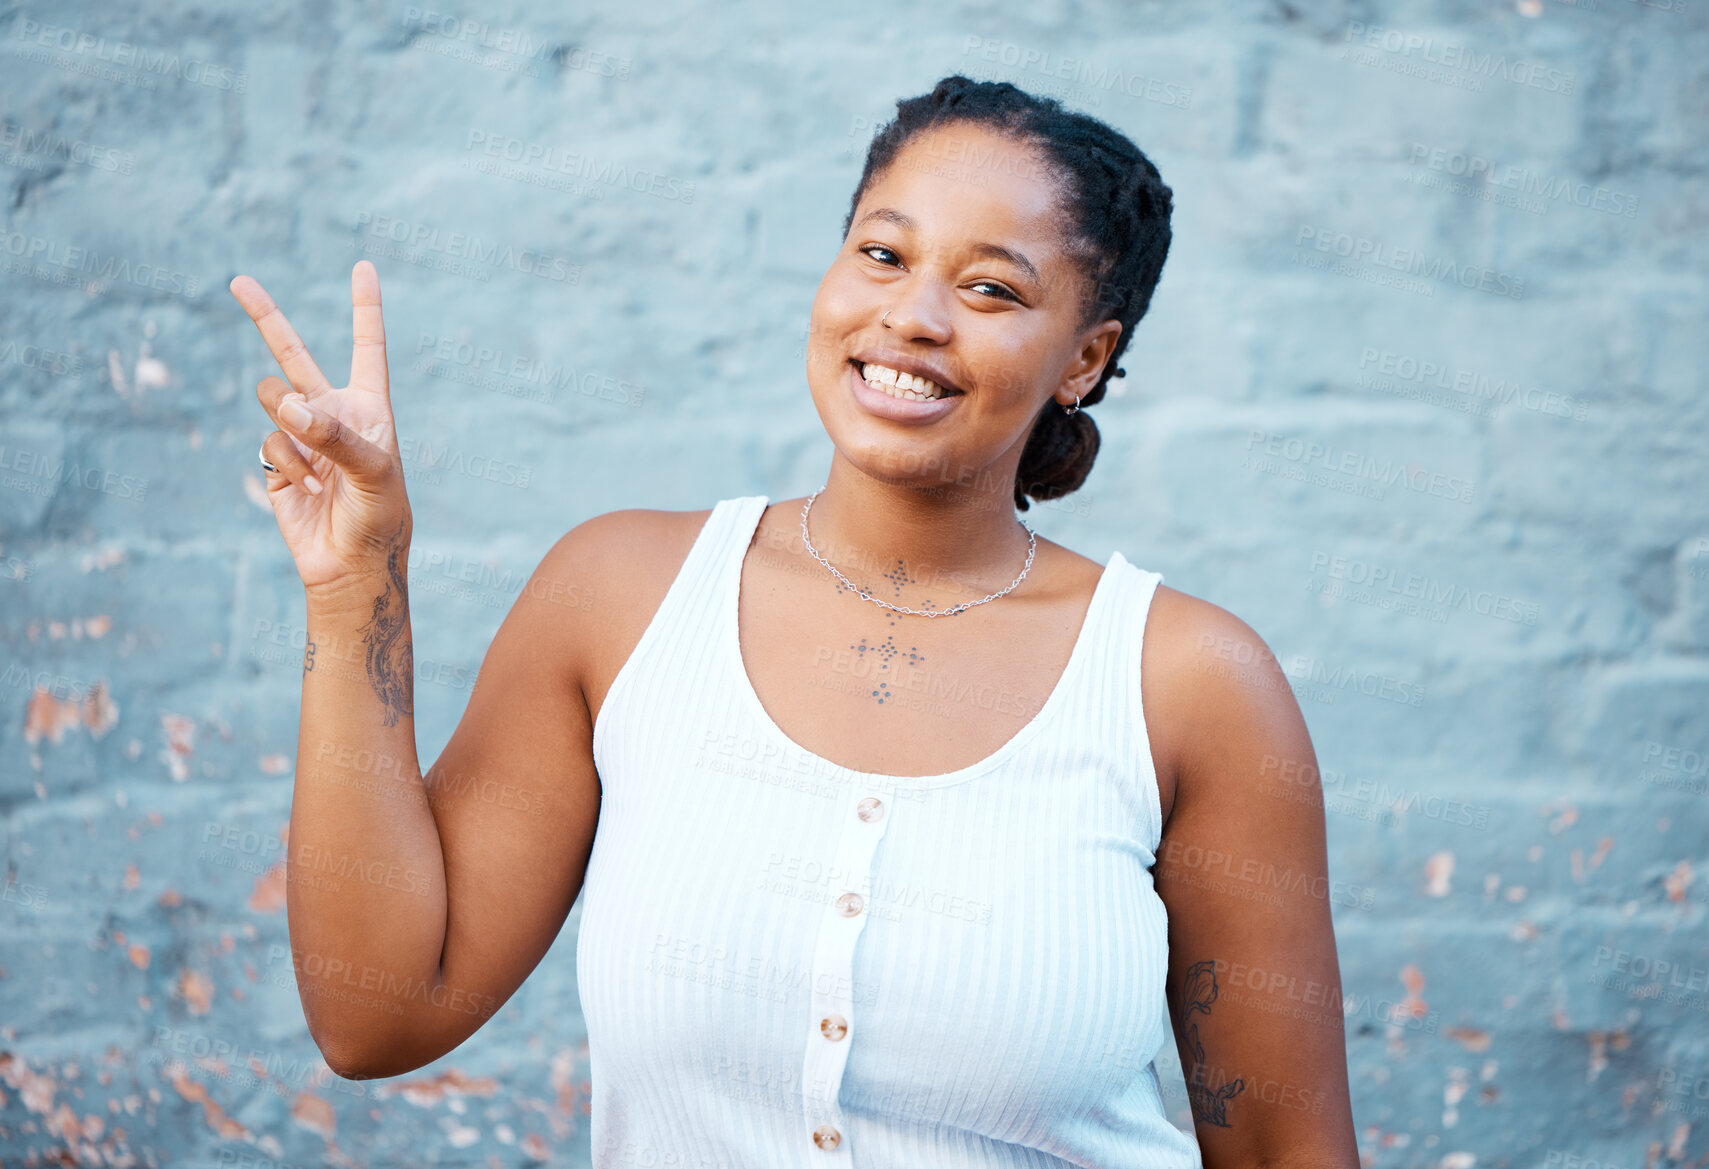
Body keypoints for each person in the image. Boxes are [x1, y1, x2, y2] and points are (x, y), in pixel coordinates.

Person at [230, 74, 1358, 1168]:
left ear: (1085, 357)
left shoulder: (1186, 682)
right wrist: (355, 585)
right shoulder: (619, 597)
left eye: (990, 290)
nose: (909, 317)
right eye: (881, 253)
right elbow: (377, 1017)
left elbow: (1279, 1149)